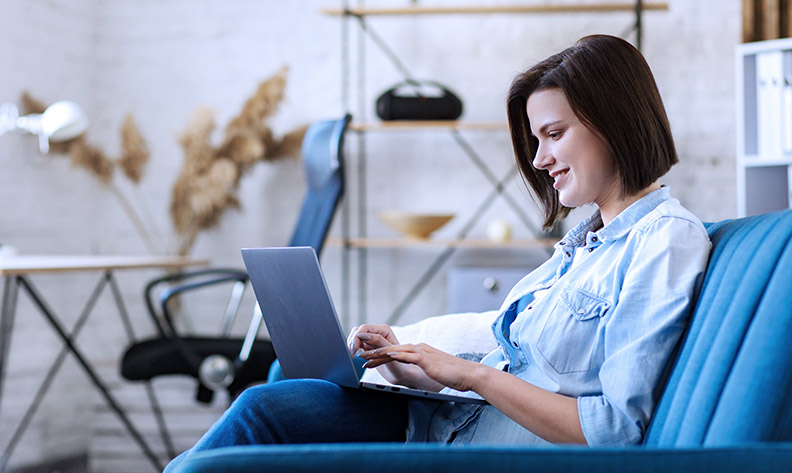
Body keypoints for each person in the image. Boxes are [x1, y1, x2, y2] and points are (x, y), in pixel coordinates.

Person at [163, 34, 711, 470]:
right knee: (287, 381)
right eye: (536, 140)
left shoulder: (664, 241)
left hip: (473, 448)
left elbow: (614, 431)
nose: (540, 159)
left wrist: (469, 376)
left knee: (264, 409)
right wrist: (410, 363)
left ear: (612, 123)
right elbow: (512, 361)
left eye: (553, 133)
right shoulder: (582, 245)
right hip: (440, 420)